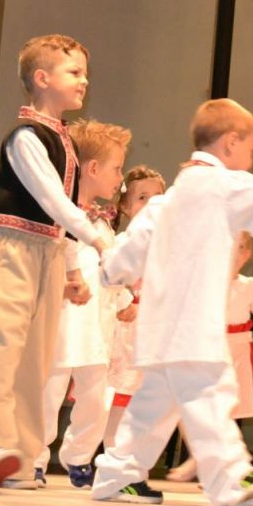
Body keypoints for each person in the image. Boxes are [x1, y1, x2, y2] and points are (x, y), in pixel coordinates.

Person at [92, 98, 253, 506]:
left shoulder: (165, 202)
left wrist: (110, 271)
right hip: (192, 323)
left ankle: (118, 474)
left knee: (152, 407)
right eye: (251, 148)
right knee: (210, 392)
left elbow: (131, 249)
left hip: (159, 327)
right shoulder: (225, 186)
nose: (250, 158)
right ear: (230, 142)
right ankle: (230, 476)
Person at [0, 34, 107, 488]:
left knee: (36, 358)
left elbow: (62, 215)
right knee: (1, 344)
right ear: (42, 78)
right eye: (74, 72)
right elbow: (53, 200)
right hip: (13, 249)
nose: (84, 80)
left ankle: (19, 457)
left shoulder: (66, 142)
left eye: (84, 73)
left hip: (50, 252)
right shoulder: (26, 137)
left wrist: (72, 268)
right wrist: (99, 240)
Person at [34, 120, 131, 488]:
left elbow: (111, 270)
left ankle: (78, 457)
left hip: (97, 329)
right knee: (49, 393)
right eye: (116, 169)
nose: (120, 179)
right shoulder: (61, 218)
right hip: (62, 325)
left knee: (97, 400)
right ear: (92, 169)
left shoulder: (103, 226)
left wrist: (125, 299)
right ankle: (34, 458)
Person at [167, 230, 253, 482]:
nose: (233, 252)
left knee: (228, 410)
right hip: (209, 349)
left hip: (239, 352)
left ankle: (224, 470)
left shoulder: (248, 285)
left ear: (247, 254)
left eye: (240, 247)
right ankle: (202, 457)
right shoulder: (205, 282)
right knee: (195, 405)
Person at [103, 166, 165, 448]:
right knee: (116, 404)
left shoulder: (169, 250)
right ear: (125, 208)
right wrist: (123, 301)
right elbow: (108, 279)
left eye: (158, 197)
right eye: (142, 198)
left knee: (149, 409)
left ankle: (134, 460)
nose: (151, 204)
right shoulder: (118, 244)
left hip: (154, 336)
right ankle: (111, 456)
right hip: (125, 334)